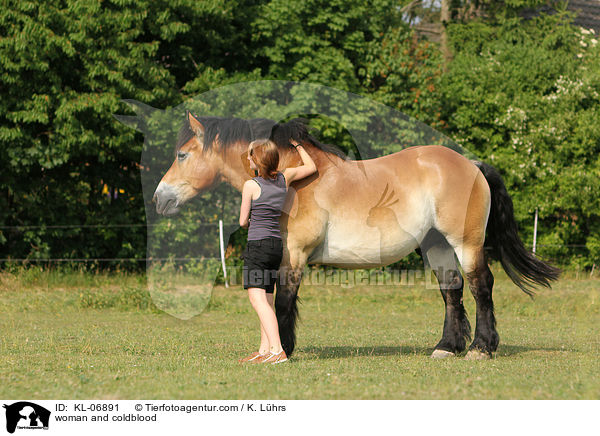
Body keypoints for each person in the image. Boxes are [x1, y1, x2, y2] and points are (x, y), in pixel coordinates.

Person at [238, 137, 317, 364]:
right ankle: (264, 351)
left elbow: (243, 221)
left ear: (258, 160)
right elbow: (311, 167)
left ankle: (277, 349)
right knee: (268, 298)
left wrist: (250, 218)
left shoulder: (251, 185)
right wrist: (299, 146)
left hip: (258, 247)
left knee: (257, 299)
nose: (248, 158)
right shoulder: (285, 178)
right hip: (275, 246)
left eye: (251, 154)